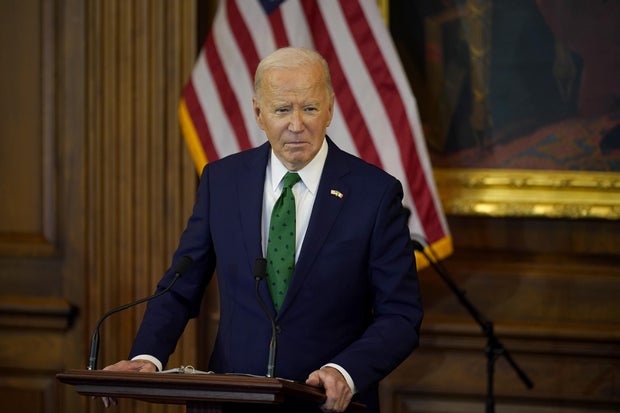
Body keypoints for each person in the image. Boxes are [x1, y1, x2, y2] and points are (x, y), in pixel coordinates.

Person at [103, 47, 423, 413]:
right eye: (282, 109)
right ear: (258, 112)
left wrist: (345, 372)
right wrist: (149, 356)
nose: (297, 124)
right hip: (230, 403)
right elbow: (180, 287)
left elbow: (400, 315)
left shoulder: (375, 194)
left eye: (311, 108)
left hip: (324, 405)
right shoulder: (222, 182)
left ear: (331, 109)